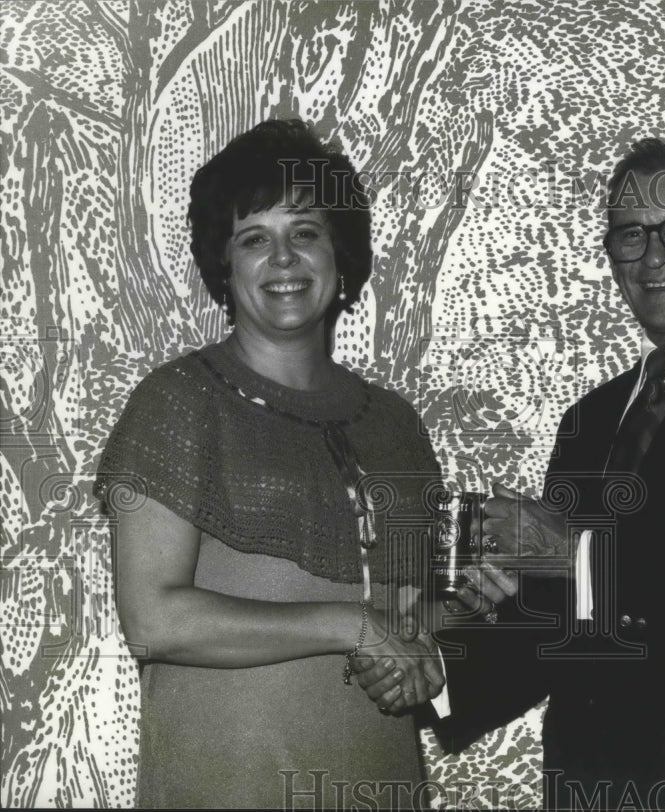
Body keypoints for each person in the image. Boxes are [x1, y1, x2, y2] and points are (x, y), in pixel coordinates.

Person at [355, 139, 665, 810]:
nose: (652, 257)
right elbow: (557, 623)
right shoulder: (589, 421)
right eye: (631, 236)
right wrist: (436, 671)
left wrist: (571, 549)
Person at [94, 119, 445, 809]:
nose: (283, 259)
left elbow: (409, 612)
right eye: (254, 239)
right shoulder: (179, 401)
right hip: (229, 784)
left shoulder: (396, 425)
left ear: (340, 254)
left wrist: (433, 651)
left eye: (305, 232)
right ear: (224, 266)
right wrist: (350, 627)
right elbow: (154, 621)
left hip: (381, 783)